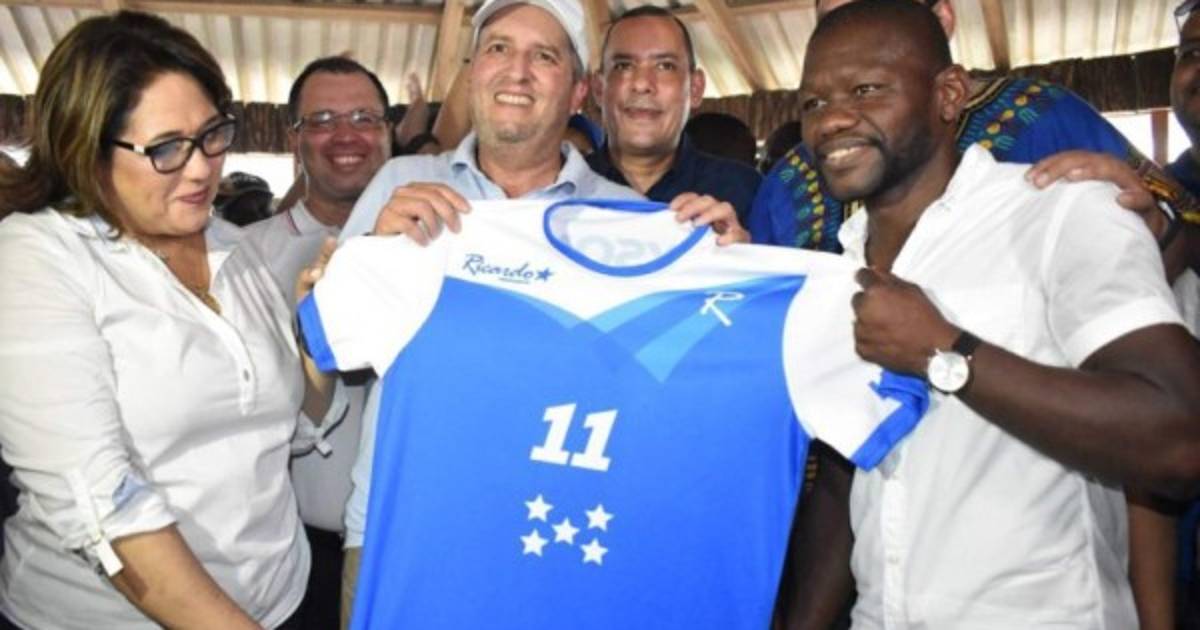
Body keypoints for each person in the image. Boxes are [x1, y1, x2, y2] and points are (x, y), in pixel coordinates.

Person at [332, 0, 749, 625]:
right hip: (400, 530)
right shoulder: (400, 184)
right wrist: (372, 254)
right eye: (498, 48)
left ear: (580, 91)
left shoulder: (631, 220)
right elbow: (333, 349)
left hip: (559, 534)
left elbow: (676, 383)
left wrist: (734, 283)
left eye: (544, 55)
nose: (517, 70)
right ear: (473, 71)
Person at [787, 3, 1200, 628]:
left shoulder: (1058, 212)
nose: (833, 119)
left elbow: (1179, 438)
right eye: (813, 103)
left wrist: (947, 353)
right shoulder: (837, 268)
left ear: (949, 94)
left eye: (866, 90)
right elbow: (847, 476)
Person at [0, 11, 339, 629]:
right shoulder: (38, 256)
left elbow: (282, 427)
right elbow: (101, 505)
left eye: (213, 134)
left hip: (278, 597)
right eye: (166, 148)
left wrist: (316, 336)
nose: (203, 167)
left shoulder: (236, 249)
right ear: (86, 149)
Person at [751, 0, 1198, 254]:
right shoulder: (786, 183)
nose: (851, 37)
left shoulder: (1044, 115)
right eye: (832, 22)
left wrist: (1161, 234)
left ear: (942, 19)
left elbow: (1178, 236)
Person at [241, 55, 392, 630]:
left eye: (364, 118)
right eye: (323, 120)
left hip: (412, 543)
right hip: (292, 558)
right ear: (294, 138)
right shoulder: (244, 256)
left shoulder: (446, 242)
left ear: (388, 132)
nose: (346, 135)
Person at [587, 6, 762, 222]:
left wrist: (742, 242)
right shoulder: (563, 189)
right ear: (598, 88)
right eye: (624, 66)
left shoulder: (747, 191)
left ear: (695, 88)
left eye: (665, 66)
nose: (642, 84)